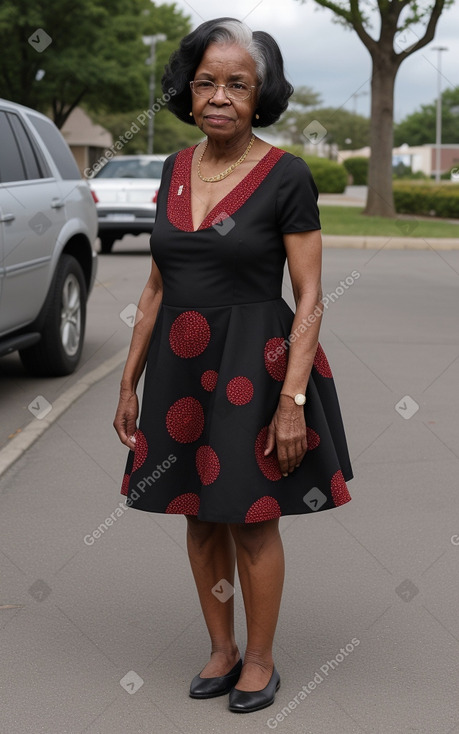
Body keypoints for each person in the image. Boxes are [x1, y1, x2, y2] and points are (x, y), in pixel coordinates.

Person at [113, 17, 353, 714]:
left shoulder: (287, 176)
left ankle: (259, 659)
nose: (219, 96)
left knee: (250, 518)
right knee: (194, 512)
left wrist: (293, 401)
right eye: (205, 82)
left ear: (260, 96)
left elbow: (309, 297)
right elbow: (156, 286)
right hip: (179, 369)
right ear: (188, 93)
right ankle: (219, 648)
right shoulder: (172, 169)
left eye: (236, 84)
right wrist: (129, 379)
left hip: (259, 365)